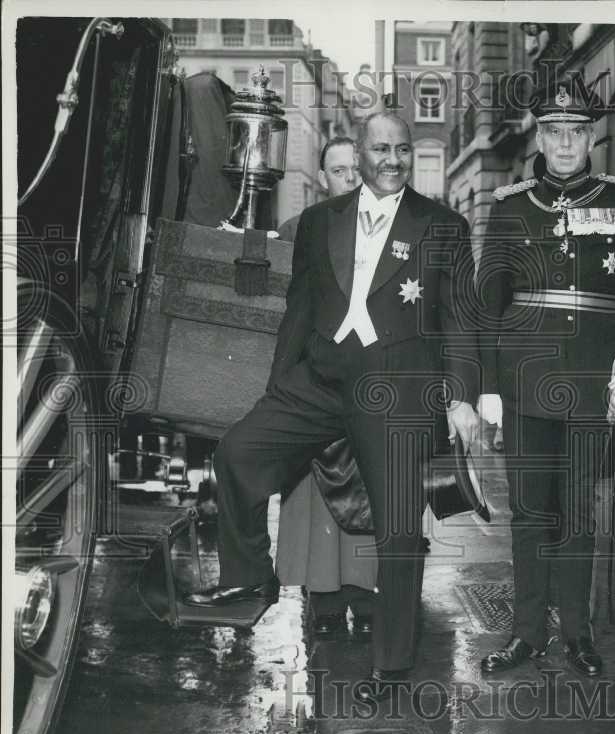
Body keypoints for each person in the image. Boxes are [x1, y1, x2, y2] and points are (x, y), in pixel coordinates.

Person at [184, 112, 481, 700]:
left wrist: (463, 397)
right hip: (320, 380)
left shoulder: (442, 225)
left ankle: (391, 667)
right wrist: (278, 390)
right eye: (381, 149)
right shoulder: (320, 223)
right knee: (237, 454)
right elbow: (298, 309)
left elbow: (461, 320)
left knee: (398, 530)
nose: (392, 159)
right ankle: (251, 582)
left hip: (396, 389)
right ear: (359, 155)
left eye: (401, 149)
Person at [476, 80, 615, 677]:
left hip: (590, 386)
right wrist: (488, 386)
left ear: (590, 138)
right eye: (553, 132)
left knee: (580, 515)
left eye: (575, 132)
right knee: (530, 514)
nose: (563, 143)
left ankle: (578, 634)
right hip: (525, 383)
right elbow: (488, 303)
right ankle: (527, 633)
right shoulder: (509, 205)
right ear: (540, 136)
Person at [273, 135, 372, 638]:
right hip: (318, 381)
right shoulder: (303, 229)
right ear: (323, 177)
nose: (349, 178)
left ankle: (364, 592)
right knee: (315, 497)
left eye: (356, 168)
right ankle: (324, 599)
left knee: (372, 493)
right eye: (338, 170)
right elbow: (292, 308)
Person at [276, 136, 358, 242]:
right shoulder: (295, 231)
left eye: (358, 169)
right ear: (324, 179)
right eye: (338, 171)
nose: (350, 178)